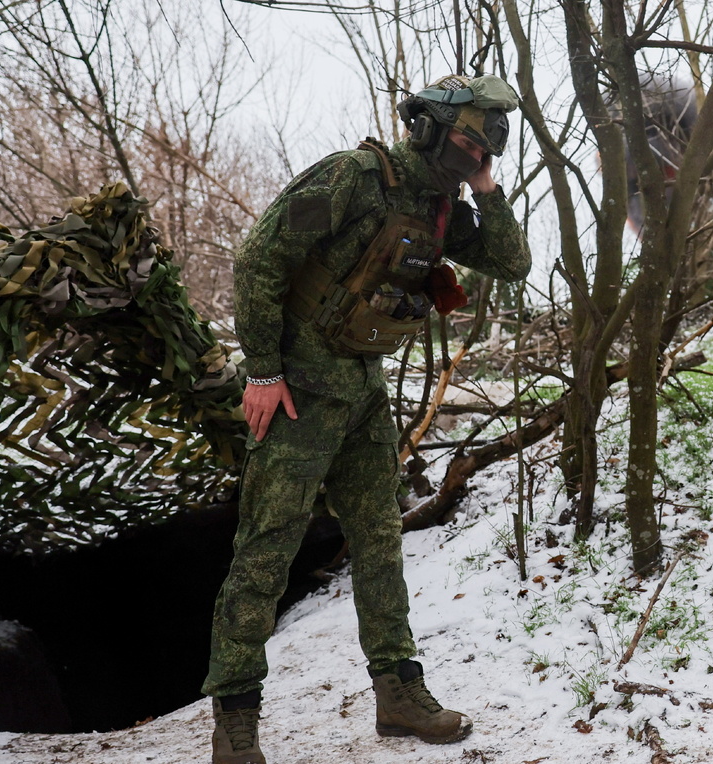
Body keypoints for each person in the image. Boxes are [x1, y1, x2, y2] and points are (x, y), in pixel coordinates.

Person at [202, 73, 532, 764]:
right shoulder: (356, 177)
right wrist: (262, 370)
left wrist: (488, 191)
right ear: (432, 127)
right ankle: (236, 723)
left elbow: (511, 261)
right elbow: (259, 259)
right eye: (470, 142)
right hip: (298, 391)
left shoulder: (442, 203)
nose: (475, 157)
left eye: (487, 149)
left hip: (363, 392)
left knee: (380, 544)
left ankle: (399, 694)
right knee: (265, 553)